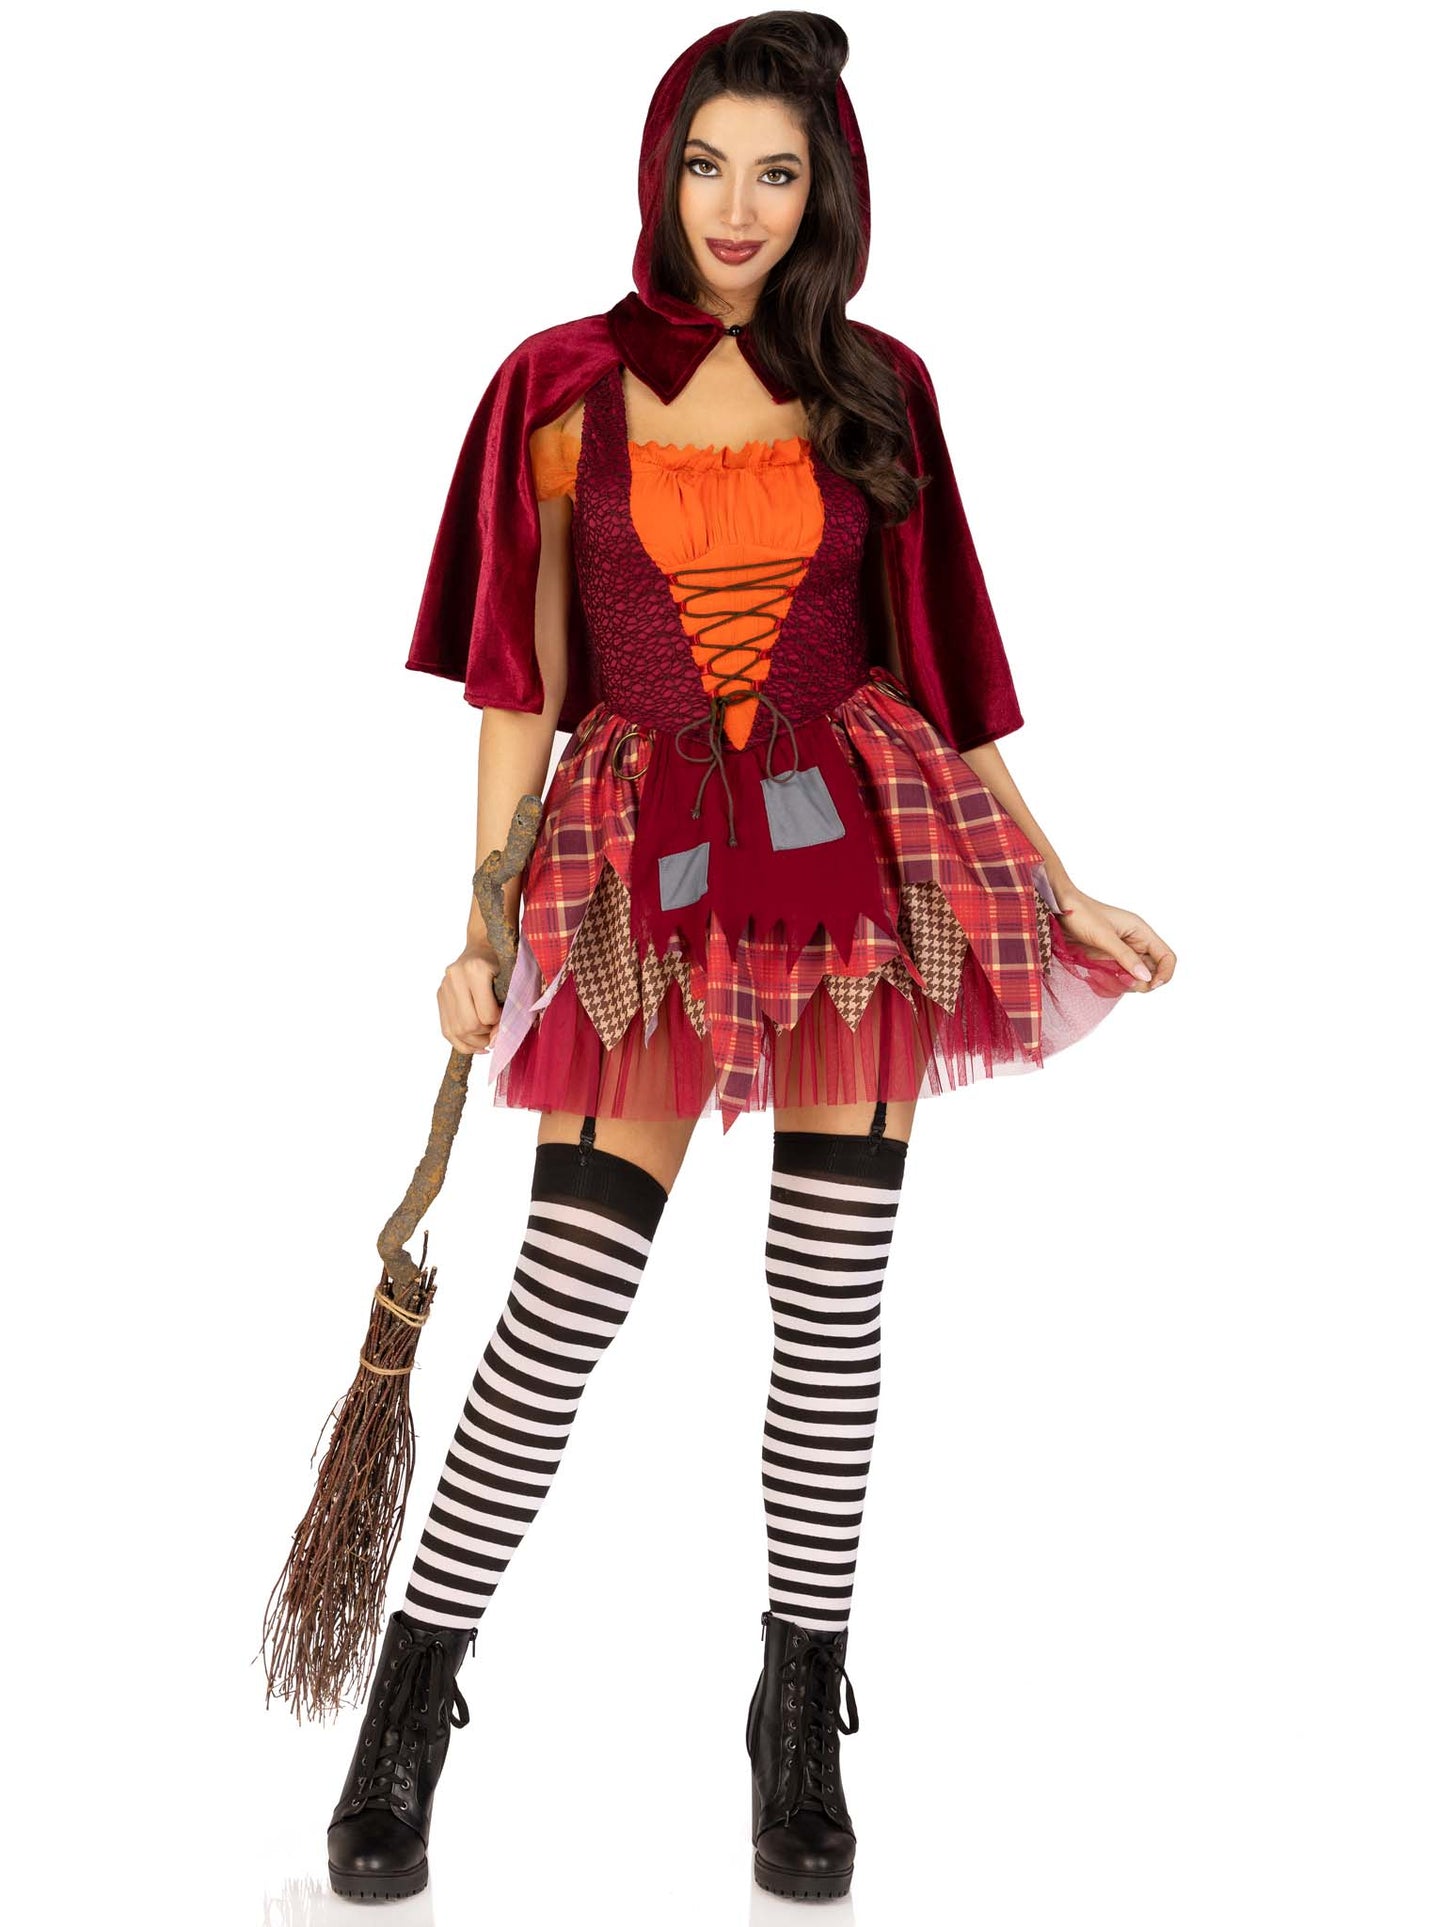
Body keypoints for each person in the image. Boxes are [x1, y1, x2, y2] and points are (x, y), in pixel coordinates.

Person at [325, 10, 1176, 1904]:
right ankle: (408, 1710)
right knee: (561, 1299)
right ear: (659, 171)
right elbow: (521, 683)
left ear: (824, 193)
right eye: (706, 165)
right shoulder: (557, 385)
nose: (736, 206)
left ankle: (796, 1723)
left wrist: (1060, 886)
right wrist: (477, 926)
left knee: (828, 1304)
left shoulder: (877, 383)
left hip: (853, 852)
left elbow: (941, 676)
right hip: (644, 860)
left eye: (775, 173)